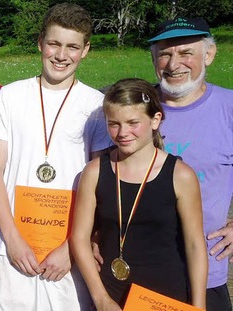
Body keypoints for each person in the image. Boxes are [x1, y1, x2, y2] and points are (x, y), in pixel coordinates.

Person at [0, 3, 112, 310]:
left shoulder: (97, 105)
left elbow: (102, 185)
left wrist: (72, 247)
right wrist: (12, 239)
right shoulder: (10, 96)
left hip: (67, 250)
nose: (61, 55)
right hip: (16, 247)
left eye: (72, 47)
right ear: (40, 43)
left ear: (86, 50)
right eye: (54, 44)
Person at [71, 78, 207, 309]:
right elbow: (79, 238)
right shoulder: (94, 171)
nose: (123, 132)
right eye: (113, 123)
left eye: (133, 122)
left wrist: (199, 305)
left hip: (165, 298)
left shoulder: (180, 176)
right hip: (111, 295)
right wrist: (101, 299)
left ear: (155, 120)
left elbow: (195, 245)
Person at [148, 17, 233, 311]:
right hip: (138, 270)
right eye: (165, 54)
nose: (174, 64)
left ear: (208, 55)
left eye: (186, 53)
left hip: (206, 276)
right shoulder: (134, 108)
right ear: (154, 59)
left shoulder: (229, 108)